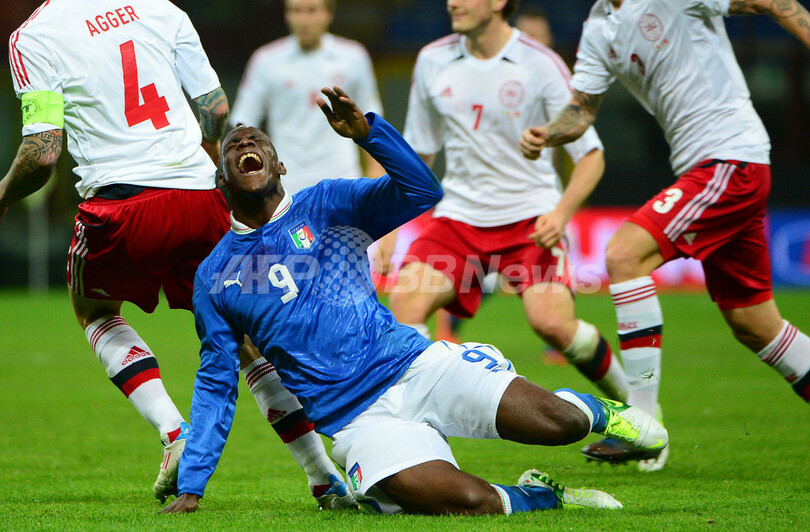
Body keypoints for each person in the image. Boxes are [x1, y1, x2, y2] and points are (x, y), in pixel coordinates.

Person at [160, 86, 667, 515]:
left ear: (279, 163)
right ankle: (544, 496)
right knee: (464, 500)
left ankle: (598, 412)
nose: (246, 142)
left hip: (415, 365)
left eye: (258, 141)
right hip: (357, 419)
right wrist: (192, 485)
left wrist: (370, 136)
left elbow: (421, 193)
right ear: (221, 178)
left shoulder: (327, 203)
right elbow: (215, 382)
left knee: (561, 424)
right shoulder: (216, 276)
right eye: (235, 144)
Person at [2, 0, 352, 508]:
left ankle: (172, 431)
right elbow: (216, 111)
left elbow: (42, 153)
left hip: (120, 207)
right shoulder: (159, 9)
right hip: (198, 195)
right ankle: (322, 474)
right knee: (246, 335)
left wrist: (3, 196)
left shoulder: (33, 36)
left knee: (95, 311)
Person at [520, 0, 810, 472]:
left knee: (623, 254)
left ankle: (643, 422)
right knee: (754, 324)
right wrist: (547, 133)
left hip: (730, 157)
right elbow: (581, 111)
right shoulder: (598, 27)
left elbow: (773, 2)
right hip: (709, 166)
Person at [388, 0, 631, 403]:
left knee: (552, 324)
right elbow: (417, 157)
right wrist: (390, 225)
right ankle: (421, 423)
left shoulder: (540, 63)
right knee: (405, 303)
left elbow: (591, 155)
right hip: (459, 217)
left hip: (529, 220)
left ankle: (634, 410)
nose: (452, 2)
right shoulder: (432, 60)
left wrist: (560, 213)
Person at [230, 0, 385, 195]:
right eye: (296, 11)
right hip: (286, 187)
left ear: (329, 13)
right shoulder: (265, 60)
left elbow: (370, 118)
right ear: (286, 14)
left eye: (312, 11)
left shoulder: (354, 57)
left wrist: (376, 170)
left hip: (344, 181)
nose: (303, 20)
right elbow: (243, 124)